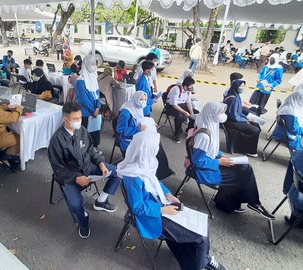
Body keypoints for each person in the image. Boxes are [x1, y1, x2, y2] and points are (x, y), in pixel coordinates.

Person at [118, 125, 227, 270]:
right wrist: (164, 210)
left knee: (202, 225)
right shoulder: (133, 176)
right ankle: (201, 264)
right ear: (146, 150)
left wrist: (168, 194)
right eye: (154, 147)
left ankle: (199, 261)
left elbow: (154, 182)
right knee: (200, 236)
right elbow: (138, 207)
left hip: (161, 205)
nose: (157, 150)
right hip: (153, 216)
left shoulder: (144, 162)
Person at [47, 101, 121, 239]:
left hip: (88, 168)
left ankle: (101, 201)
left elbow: (91, 149)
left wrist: (101, 163)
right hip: (71, 176)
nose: (79, 121)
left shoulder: (82, 130)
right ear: (65, 119)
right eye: (75, 119)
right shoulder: (56, 141)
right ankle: (83, 220)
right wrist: (75, 178)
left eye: (80, 118)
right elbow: (58, 169)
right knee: (75, 204)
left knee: (118, 172)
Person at [191, 102, 274, 218]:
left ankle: (247, 202)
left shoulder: (210, 125)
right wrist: (219, 161)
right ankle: (240, 203)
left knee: (245, 167)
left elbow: (211, 150)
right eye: (220, 112)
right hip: (205, 169)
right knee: (240, 174)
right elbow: (197, 161)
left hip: (212, 162)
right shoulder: (204, 136)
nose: (223, 114)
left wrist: (221, 156)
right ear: (211, 114)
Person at [223, 79, 261, 156]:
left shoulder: (237, 96)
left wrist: (247, 119)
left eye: (243, 86)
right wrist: (244, 121)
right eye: (241, 86)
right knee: (255, 130)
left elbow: (239, 112)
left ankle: (245, 146)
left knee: (256, 125)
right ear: (235, 86)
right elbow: (233, 115)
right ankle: (247, 150)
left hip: (236, 119)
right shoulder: (232, 98)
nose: (242, 88)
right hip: (231, 121)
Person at [75, 55, 102, 147]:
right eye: (92, 64)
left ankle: (94, 150)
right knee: (84, 133)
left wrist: (98, 107)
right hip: (85, 112)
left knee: (94, 132)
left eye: (95, 64)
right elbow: (83, 99)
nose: (94, 66)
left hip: (95, 110)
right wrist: (93, 110)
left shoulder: (94, 77)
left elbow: (97, 93)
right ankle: (85, 152)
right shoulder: (80, 80)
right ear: (86, 64)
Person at [166, 77, 198, 143]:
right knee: (179, 116)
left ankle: (189, 130)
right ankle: (177, 134)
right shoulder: (176, 89)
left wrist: (191, 113)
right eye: (190, 86)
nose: (192, 87)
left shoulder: (188, 91)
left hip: (182, 105)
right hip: (171, 106)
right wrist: (185, 112)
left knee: (196, 113)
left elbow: (188, 102)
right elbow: (174, 105)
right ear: (185, 86)